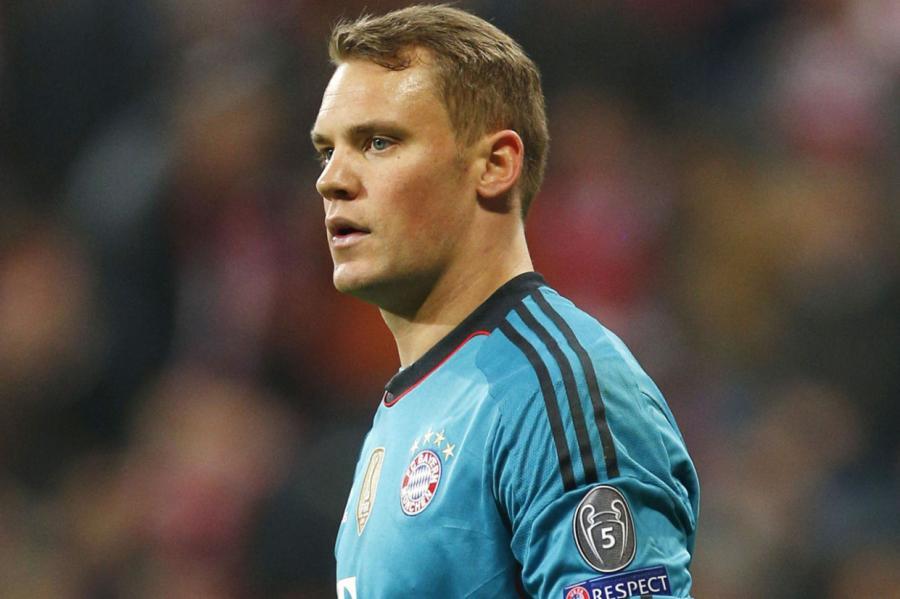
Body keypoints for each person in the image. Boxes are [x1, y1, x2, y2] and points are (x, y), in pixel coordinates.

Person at [310, 5, 699, 598]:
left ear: (495, 165)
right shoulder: (418, 401)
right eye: (326, 151)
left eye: (379, 142)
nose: (331, 179)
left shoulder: (555, 391)